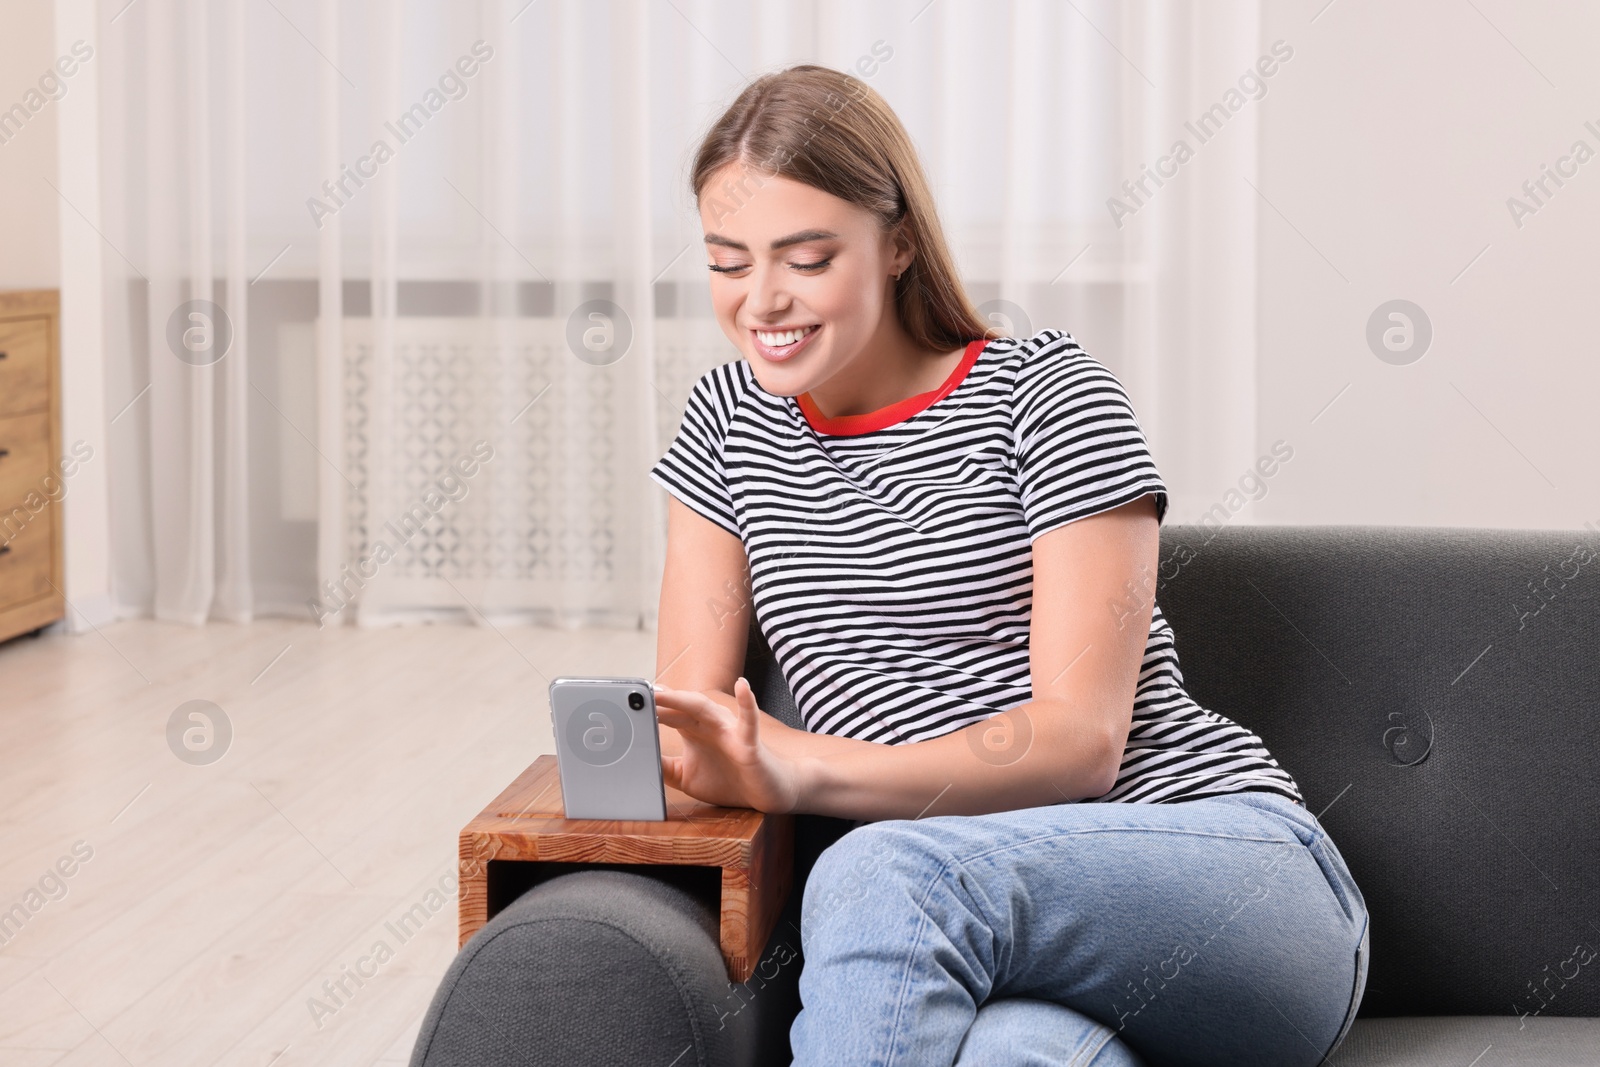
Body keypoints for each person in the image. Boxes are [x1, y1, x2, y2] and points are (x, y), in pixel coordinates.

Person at [648, 64, 1368, 1067]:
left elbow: (1080, 742)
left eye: (805, 258)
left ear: (898, 241)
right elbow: (692, 720)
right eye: (728, 262)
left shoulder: (1045, 392)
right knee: (1019, 1054)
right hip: (986, 939)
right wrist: (682, 754)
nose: (761, 299)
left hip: (1226, 879)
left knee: (883, 873)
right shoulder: (727, 421)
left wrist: (799, 764)